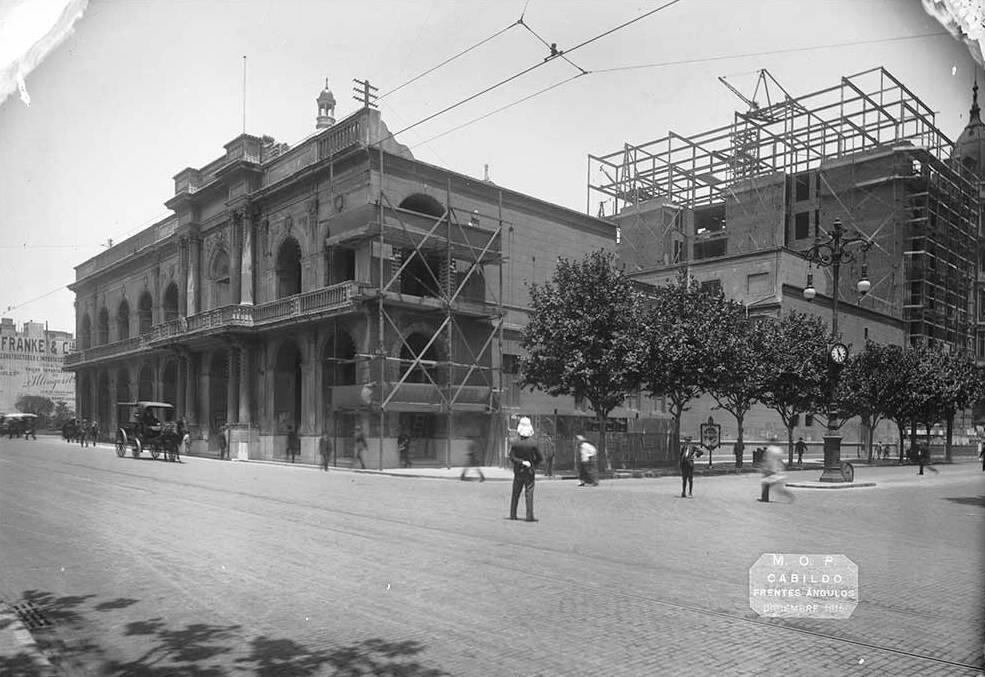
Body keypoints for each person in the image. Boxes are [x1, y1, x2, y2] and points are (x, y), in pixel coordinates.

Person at [508, 417, 542, 522]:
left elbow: (512, 457)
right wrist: (533, 465)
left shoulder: (515, 442)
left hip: (518, 471)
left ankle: (513, 514)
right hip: (529, 472)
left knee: (515, 493)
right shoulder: (533, 443)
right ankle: (529, 516)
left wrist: (521, 462)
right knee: (529, 493)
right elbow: (540, 458)